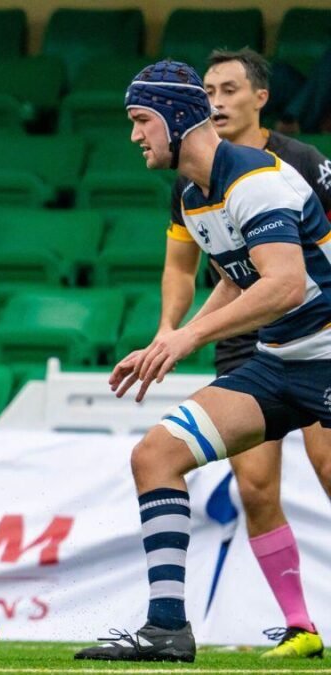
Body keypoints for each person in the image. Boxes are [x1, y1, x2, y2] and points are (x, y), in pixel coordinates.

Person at [74, 59, 331, 663]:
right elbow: (239, 278)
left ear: (174, 117)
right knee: (156, 455)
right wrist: (173, 335)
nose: (135, 135)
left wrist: (185, 341)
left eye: (141, 120)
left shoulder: (256, 181)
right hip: (279, 362)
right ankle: (166, 629)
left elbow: (285, 284)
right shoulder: (193, 195)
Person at [159, 48, 331, 660]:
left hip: (317, 331)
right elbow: (197, 268)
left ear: (260, 97)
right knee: (255, 487)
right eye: (207, 90)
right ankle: (300, 627)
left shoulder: (299, 162)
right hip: (246, 335)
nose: (217, 100)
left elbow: (293, 269)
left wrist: (186, 336)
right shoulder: (191, 181)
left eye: (229, 88)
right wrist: (169, 332)